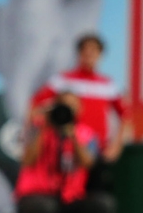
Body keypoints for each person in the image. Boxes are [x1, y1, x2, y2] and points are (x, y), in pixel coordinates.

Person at [30, 33, 131, 190]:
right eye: (85, 50)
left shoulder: (108, 85)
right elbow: (37, 106)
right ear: (79, 53)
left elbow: (125, 115)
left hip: (96, 150)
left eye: (94, 50)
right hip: (66, 149)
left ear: (100, 55)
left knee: (96, 196)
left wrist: (117, 145)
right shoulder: (63, 80)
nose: (89, 54)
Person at [14, 91, 114, 213]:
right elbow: (28, 159)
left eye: (72, 107)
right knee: (46, 208)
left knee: (102, 205)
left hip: (70, 195)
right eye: (63, 106)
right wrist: (42, 125)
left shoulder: (85, 133)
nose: (66, 111)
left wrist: (73, 137)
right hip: (39, 194)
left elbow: (88, 163)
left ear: (80, 110)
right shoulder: (39, 129)